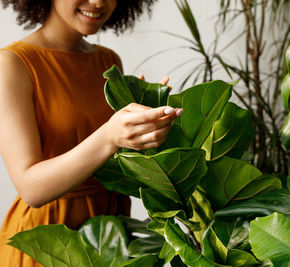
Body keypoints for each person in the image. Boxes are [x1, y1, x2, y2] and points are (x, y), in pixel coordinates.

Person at [0, 0, 182, 266]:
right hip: (50, 241)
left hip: (110, 232)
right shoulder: (12, 64)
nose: (98, 2)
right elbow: (31, 189)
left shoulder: (108, 60)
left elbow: (111, 156)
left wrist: (144, 121)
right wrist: (110, 134)